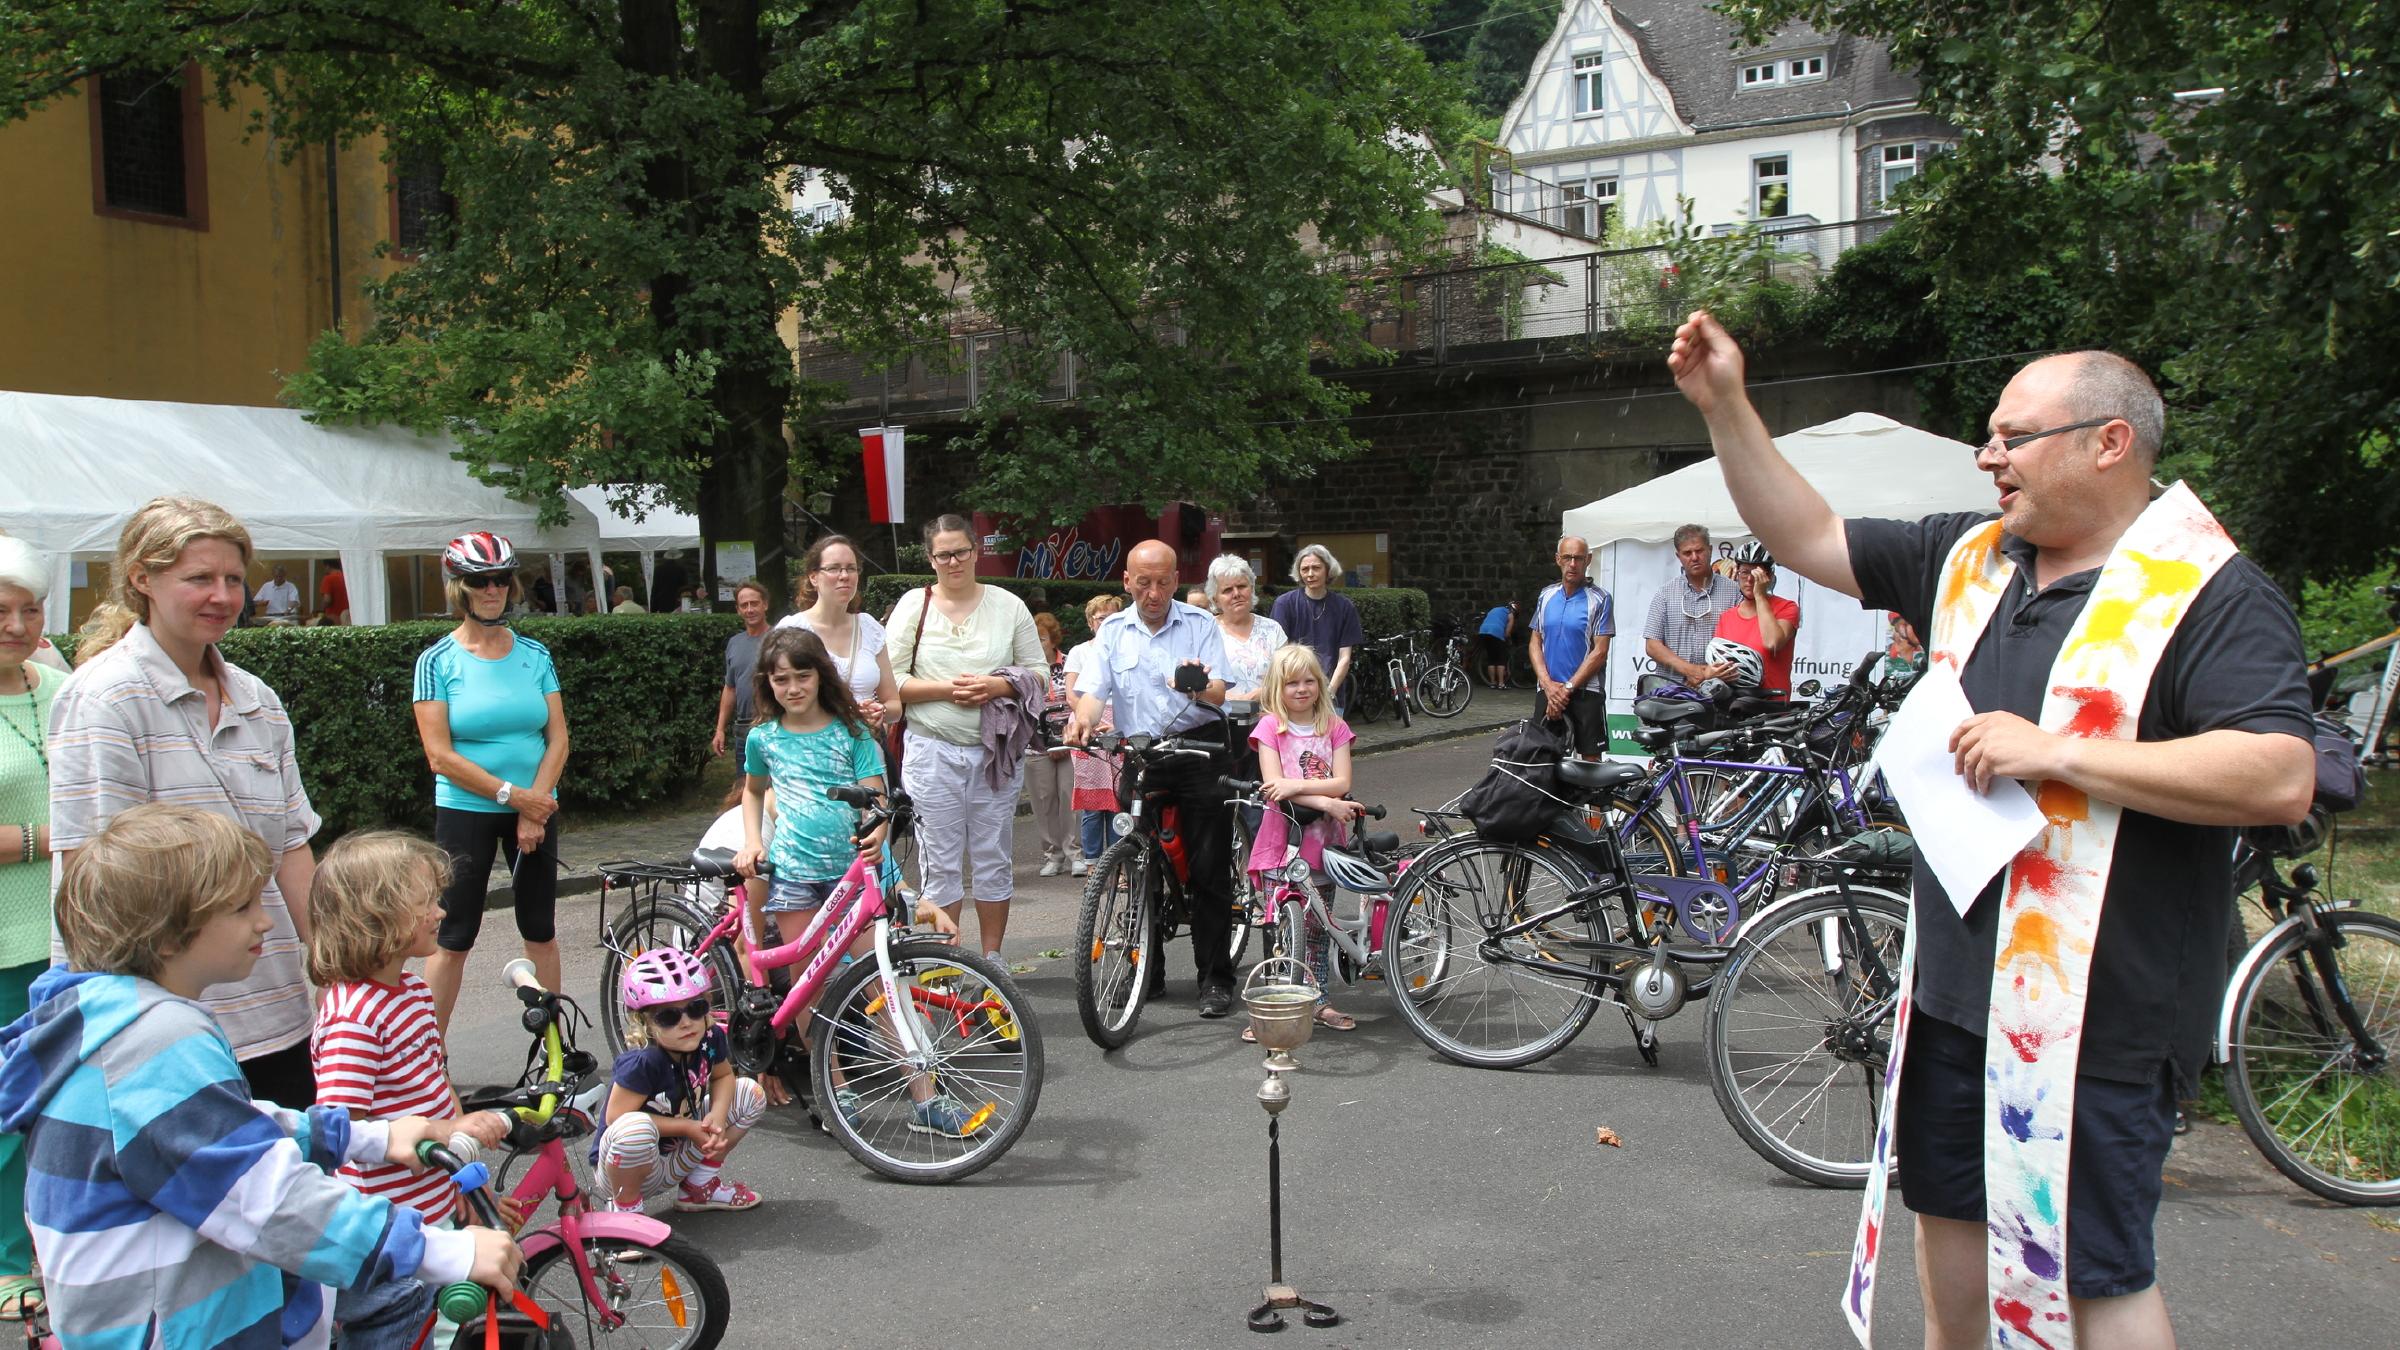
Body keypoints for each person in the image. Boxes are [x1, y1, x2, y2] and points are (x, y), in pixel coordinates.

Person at [1669, 309, 2316, 1350]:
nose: (1990, 456)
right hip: (1958, 992)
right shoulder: (1973, 560)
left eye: (2015, 436)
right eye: (1992, 436)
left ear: (2110, 443)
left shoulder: (2209, 595)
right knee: (1952, 1234)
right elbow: (1807, 536)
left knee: (2097, 1275)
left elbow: (2281, 773)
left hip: (2102, 1011)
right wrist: (1726, 405)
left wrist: (2060, 752)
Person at [0, 804, 520, 1349]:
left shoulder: (112, 1027)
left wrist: (371, 1135)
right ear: (172, 935)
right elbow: (269, 1201)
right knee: (395, 1304)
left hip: (142, 1321)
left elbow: (222, 1129)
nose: (266, 920)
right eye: (243, 906)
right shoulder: (158, 1042)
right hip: (181, 1334)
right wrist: (439, 1252)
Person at [48, 497, 321, 1109]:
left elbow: (291, 847)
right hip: (163, 1027)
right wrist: (121, 1030)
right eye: (199, 578)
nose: (222, 596)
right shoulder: (105, 699)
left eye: (232, 579)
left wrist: (338, 965)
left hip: (274, 1011)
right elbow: (98, 887)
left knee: (289, 1191)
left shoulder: (256, 699)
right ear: (142, 579)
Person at [306, 831, 519, 1342]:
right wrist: (447, 1132)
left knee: (447, 1325)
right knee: (407, 1330)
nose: (441, 912)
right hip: (390, 1228)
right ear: (375, 915)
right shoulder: (354, 1018)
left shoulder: (413, 991)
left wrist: (466, 1178)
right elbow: (342, 1128)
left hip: (433, 1204)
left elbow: (436, 1084)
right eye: (425, 902)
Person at [1062, 540, 1238, 1017]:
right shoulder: (1113, 631)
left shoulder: (1200, 624)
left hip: (1199, 749)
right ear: (1127, 582)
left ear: (1176, 581)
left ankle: (1215, 980)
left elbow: (1220, 691)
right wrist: (1083, 719)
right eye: (1144, 582)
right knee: (1140, 867)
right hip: (1142, 755)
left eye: (1163, 582)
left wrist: (1200, 685)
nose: (1154, 592)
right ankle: (1148, 976)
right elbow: (1094, 691)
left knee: (1207, 869)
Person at [412, 532, 571, 1035]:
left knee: (540, 930)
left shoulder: (534, 654)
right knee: (454, 936)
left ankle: (556, 1049)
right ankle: (428, 1057)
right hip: (467, 810)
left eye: (502, 580)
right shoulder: (436, 661)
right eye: (481, 581)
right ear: (460, 587)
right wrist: (511, 796)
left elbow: (559, 738)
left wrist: (532, 807)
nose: (492, 590)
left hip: (536, 808)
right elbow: (439, 755)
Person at [886, 515, 1044, 961]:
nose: (953, 562)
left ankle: (992, 961)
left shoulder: (1008, 605)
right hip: (932, 751)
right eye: (943, 554)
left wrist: (996, 686)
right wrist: (948, 688)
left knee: (994, 857)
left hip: (995, 752)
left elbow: (1039, 672)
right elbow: (891, 681)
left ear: (976, 551)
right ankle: (945, 961)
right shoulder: (912, 606)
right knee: (940, 863)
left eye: (960, 551)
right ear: (930, 558)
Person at [1243, 644, 1363, 1036]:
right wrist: (1327, 801)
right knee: (1281, 926)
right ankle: (1275, 1006)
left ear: (1321, 684)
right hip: (1283, 836)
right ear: (1277, 687)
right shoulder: (1268, 729)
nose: (1301, 689)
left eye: (1309, 680)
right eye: (1292, 682)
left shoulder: (1335, 727)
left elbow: (1343, 781)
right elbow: (1273, 788)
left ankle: (1319, 1000)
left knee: (1317, 925)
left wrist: (1301, 788)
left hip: (1322, 839)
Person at [598, 949, 768, 1214]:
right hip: (629, 1169)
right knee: (635, 1129)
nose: (686, 1022)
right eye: (668, 1017)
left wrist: (718, 1117)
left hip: (680, 1154)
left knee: (751, 1093)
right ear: (646, 1023)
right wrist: (688, 1127)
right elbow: (616, 1119)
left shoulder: (709, 1038)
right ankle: (626, 1214)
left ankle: (698, 1188)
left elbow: (723, 1075)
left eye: (696, 1009)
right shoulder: (643, 1062)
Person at [0, 539, 54, 1316]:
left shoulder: (61, 681)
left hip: (73, 931)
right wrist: (52, 840)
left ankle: (59, 1236)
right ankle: (10, 1262)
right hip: (7, 943)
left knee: (66, 1099)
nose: (15, 623)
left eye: (29, 609)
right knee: (12, 1107)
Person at [778, 535, 901, 733]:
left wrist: (879, 712)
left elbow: (894, 705)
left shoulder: (869, 628)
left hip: (864, 750)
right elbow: (777, 699)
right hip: (814, 749)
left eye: (851, 568)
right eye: (834, 568)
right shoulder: (792, 630)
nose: (844, 575)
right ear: (813, 577)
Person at [1528, 535, 1614, 758]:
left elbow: (1600, 651)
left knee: (1590, 762)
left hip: (1586, 692)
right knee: (1543, 760)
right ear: (1558, 559)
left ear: (1588, 560)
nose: (1573, 564)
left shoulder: (1601, 599)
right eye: (1567, 558)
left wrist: (1566, 689)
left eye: (1578, 558)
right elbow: (1535, 642)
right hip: (1549, 690)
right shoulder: (1546, 596)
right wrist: (1548, 685)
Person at [1064, 594, 1127, 877]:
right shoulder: (1079, 651)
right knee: (1092, 803)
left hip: (1121, 725)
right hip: (1088, 725)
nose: (1106, 623)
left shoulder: (1127, 648)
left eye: (1113, 617)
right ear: (1091, 622)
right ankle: (1092, 865)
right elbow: (1071, 694)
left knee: (1119, 798)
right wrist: (1095, 719)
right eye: (1102, 618)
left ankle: (1118, 866)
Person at [1642, 523, 1741, 687]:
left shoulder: (1734, 592)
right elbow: (1652, 645)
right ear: (1678, 556)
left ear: (1710, 550)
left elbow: (1741, 642)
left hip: (1720, 690)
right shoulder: (1665, 594)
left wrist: (1709, 673)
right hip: (1672, 690)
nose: (1694, 557)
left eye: (1699, 551)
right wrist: (1691, 671)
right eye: (1687, 553)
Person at [1269, 544, 1363, 714]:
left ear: (1328, 570)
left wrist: (1329, 692)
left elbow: (1344, 657)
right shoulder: (1284, 604)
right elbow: (1281, 653)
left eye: (1316, 568)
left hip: (1332, 695)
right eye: (1305, 569)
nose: (1310, 574)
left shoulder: (1344, 607)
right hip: (1295, 693)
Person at [1709, 540, 1799, 701]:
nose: (1749, 580)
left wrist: (1760, 596)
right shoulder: (1727, 617)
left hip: (1772, 708)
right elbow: (1718, 663)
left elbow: (1772, 642)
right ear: (1737, 573)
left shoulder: (1787, 607)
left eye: (1756, 574)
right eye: (1744, 572)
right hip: (1735, 707)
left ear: (1769, 576)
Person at [1025, 613, 1078, 877]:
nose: (1038, 643)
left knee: (1069, 797)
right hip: (1035, 744)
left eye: (1042, 638)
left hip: (1068, 739)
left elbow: (1079, 702)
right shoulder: (1024, 670)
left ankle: (1075, 853)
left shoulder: (1069, 664)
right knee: (1043, 802)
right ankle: (1053, 855)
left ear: (1053, 639)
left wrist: (1069, 736)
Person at [714, 578, 773, 758]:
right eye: (744, 605)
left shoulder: (779, 638)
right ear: (738, 610)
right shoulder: (734, 643)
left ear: (765, 605)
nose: (749, 609)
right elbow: (730, 688)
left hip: (774, 726)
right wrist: (720, 729)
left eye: (754, 603)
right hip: (743, 730)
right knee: (744, 785)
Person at [1477, 599, 1516, 689]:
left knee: (1491, 659)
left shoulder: (1494, 609)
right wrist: (1508, 640)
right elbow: (1507, 632)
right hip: (1496, 632)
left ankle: (1492, 683)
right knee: (1500, 659)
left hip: (1483, 631)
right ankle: (1501, 684)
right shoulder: (1510, 614)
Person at [319, 557, 351, 625]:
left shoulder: (328, 578)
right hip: (348, 617)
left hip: (333, 617)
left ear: (327, 566)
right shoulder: (347, 577)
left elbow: (327, 600)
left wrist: (321, 608)